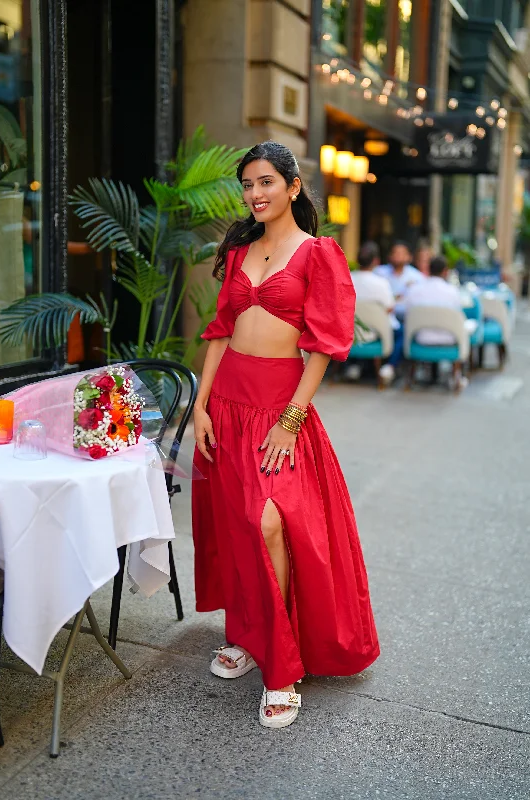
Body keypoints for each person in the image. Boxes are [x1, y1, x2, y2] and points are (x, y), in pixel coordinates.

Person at [192, 141, 380, 729]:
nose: (255, 194)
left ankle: (283, 667)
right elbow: (220, 332)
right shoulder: (240, 249)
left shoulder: (318, 254)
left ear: (294, 186)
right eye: (248, 185)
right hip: (226, 403)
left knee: (270, 520)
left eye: (266, 182)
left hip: (279, 406)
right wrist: (199, 408)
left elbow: (324, 346)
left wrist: (292, 419)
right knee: (237, 523)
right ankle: (250, 637)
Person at [348, 241, 397, 383]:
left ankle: (354, 365)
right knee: (399, 333)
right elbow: (389, 308)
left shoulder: (347, 278)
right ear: (376, 261)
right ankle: (388, 367)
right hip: (374, 332)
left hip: (349, 332)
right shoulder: (381, 283)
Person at [405, 255, 463, 344]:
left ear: (428, 269)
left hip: (421, 338)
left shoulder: (414, 290)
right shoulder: (453, 292)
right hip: (448, 339)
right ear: (445, 272)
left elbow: (407, 313)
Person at [374, 240, 424, 317]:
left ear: (409, 257)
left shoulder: (417, 276)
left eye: (401, 253)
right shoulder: (379, 272)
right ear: (389, 255)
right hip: (383, 315)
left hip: (406, 317)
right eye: (395, 253)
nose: (398, 256)